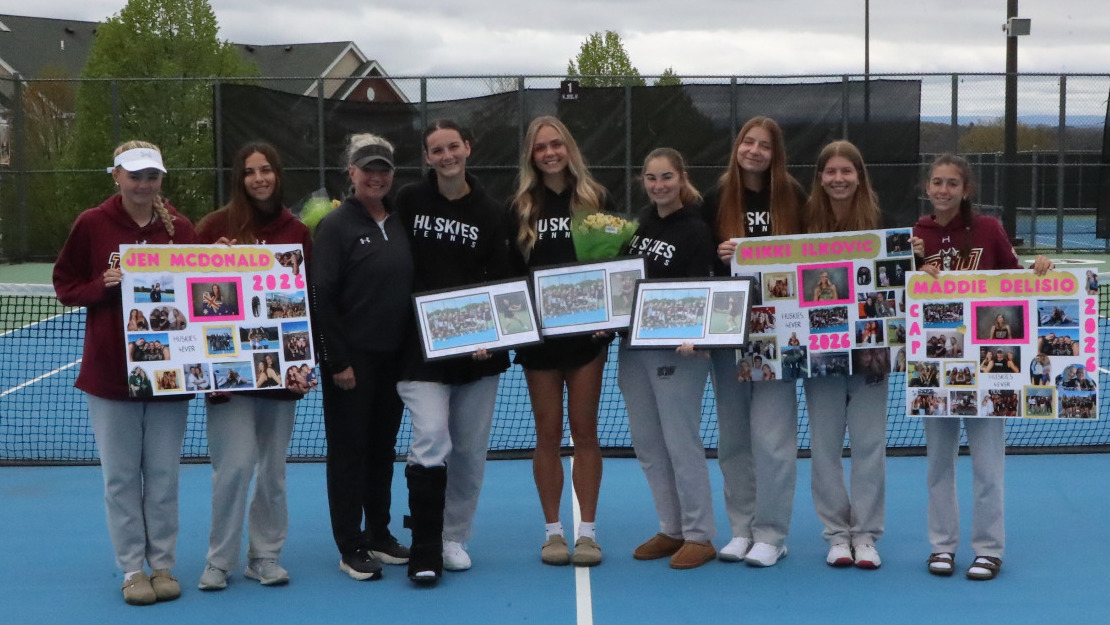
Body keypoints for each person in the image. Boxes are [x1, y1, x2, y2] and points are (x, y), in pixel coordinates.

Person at [52, 140, 196, 606]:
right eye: (135, 175)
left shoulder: (182, 229)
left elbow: (200, 293)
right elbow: (65, 285)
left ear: (160, 179)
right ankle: (133, 569)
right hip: (110, 375)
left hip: (169, 375)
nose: (143, 184)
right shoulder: (92, 225)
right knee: (119, 478)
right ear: (116, 175)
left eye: (152, 175)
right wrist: (101, 285)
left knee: (162, 476)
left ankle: (163, 565)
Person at [910, 154, 1054, 581]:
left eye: (952, 183)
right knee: (938, 463)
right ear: (927, 186)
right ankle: (942, 547)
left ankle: (989, 549)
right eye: (937, 182)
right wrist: (914, 266)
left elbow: (1016, 286)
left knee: (988, 465)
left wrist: (1039, 271)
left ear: (965, 189)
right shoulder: (915, 235)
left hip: (991, 370)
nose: (943, 190)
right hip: (934, 368)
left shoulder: (989, 229)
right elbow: (900, 296)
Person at [394, 120, 511, 584]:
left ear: (468, 147)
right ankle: (424, 546)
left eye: (453, 147)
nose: (446, 156)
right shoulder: (407, 201)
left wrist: (493, 336)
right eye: (436, 149)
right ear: (427, 157)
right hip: (418, 348)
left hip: (478, 351)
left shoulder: (492, 210)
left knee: (469, 450)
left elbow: (501, 279)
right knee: (431, 436)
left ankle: (452, 537)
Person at [195, 142, 313, 591]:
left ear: (278, 175)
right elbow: (191, 300)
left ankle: (264, 555)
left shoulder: (297, 231)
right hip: (227, 372)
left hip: (282, 372)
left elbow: (306, 303)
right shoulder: (213, 227)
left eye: (266, 170)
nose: (259, 178)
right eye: (250, 172)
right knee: (235, 466)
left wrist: (306, 364)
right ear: (239, 179)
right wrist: (212, 265)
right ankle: (218, 560)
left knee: (273, 469)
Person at [701, 116, 806, 567]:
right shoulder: (716, 197)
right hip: (729, 328)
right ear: (737, 145)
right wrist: (719, 254)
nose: (755, 150)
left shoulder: (794, 196)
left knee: (773, 437)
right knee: (734, 438)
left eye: (765, 145)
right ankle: (741, 529)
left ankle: (772, 534)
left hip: (780, 331)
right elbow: (698, 258)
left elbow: (814, 252)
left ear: (775, 153)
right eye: (749, 141)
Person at [310, 134, 414, 582]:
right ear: (351, 173)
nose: (376, 176)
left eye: (383, 169)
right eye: (367, 169)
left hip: (395, 360)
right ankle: (350, 544)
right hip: (352, 363)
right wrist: (337, 361)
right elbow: (322, 296)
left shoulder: (400, 219)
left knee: (381, 449)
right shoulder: (335, 226)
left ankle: (379, 533)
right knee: (349, 452)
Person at [507, 116, 610, 566]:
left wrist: (611, 317)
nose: (549, 153)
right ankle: (553, 533)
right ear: (531, 155)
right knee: (547, 434)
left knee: (585, 433)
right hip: (540, 342)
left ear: (569, 148)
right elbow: (509, 276)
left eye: (556, 145)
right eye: (540, 147)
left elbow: (615, 264)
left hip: (587, 339)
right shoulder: (519, 207)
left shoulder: (596, 200)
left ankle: (587, 533)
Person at [621, 148, 718, 570]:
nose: (659, 186)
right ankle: (671, 528)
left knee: (680, 441)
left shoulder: (697, 229)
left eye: (666, 177)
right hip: (632, 348)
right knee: (647, 442)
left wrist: (699, 334)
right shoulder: (637, 224)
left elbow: (709, 290)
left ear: (681, 177)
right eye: (651, 178)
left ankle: (700, 535)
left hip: (678, 350)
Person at [797, 140, 888, 569]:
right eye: (830, 171)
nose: (838, 179)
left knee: (869, 445)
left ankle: (866, 534)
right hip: (820, 354)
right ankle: (836, 534)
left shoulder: (882, 221)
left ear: (859, 175)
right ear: (820, 177)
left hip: (871, 351)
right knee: (825, 446)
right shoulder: (801, 222)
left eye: (846, 172)